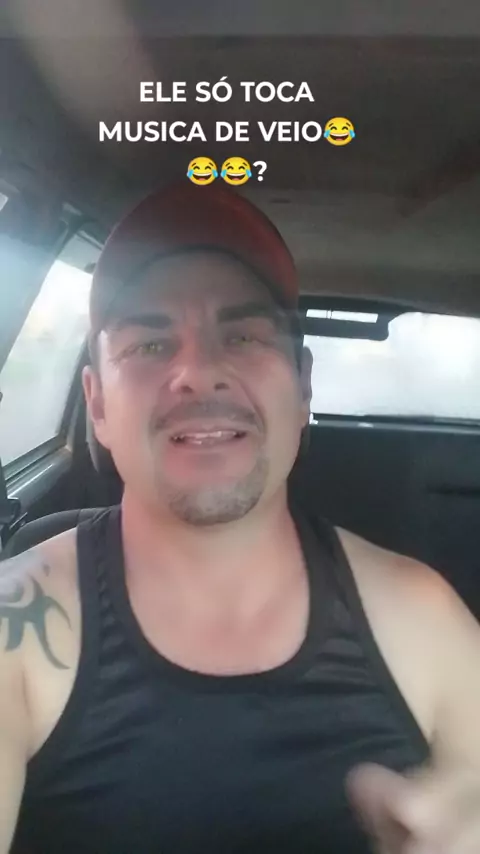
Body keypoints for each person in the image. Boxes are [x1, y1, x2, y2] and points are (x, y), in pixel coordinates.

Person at [1, 182, 480, 854]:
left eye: (245, 335)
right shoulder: (16, 633)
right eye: (149, 344)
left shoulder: (424, 617)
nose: (198, 372)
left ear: (304, 386)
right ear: (98, 404)